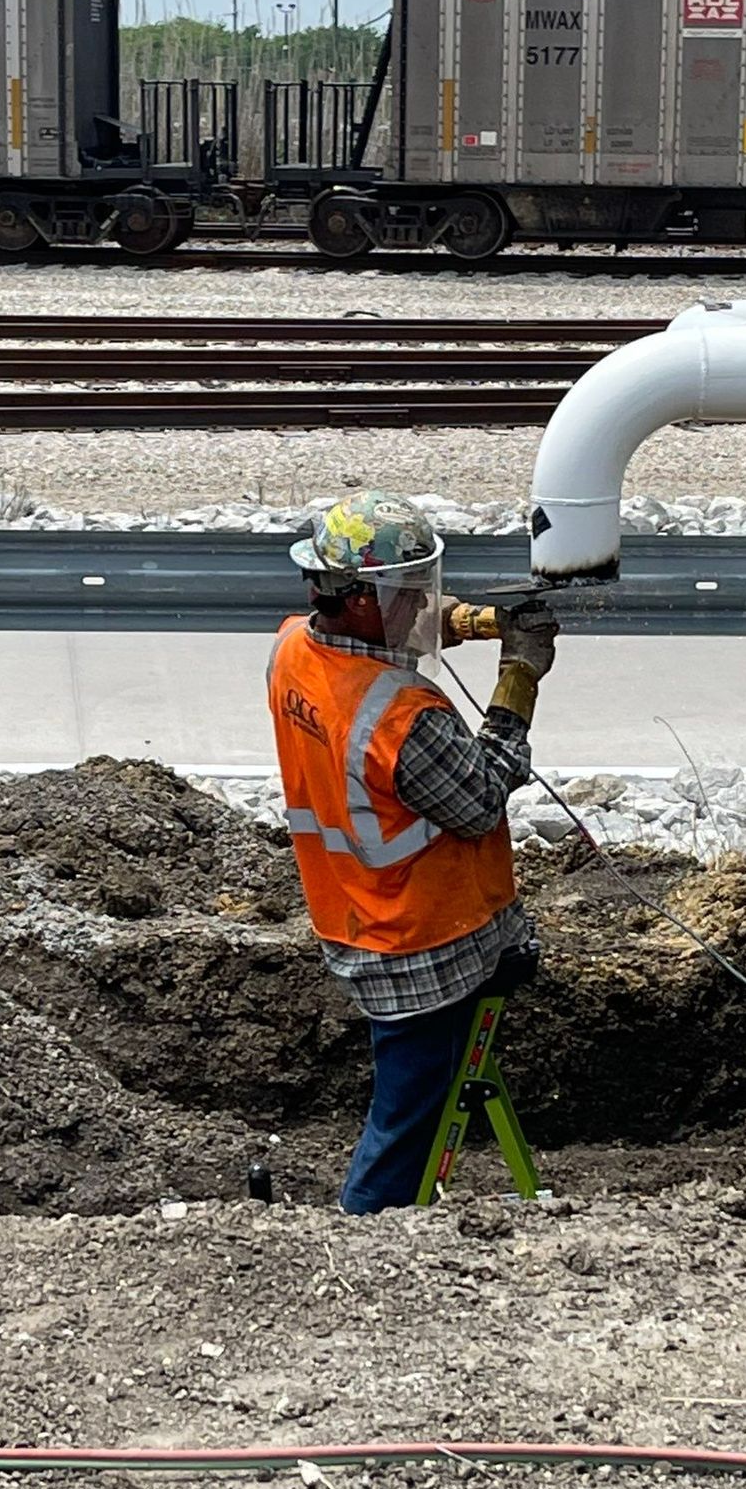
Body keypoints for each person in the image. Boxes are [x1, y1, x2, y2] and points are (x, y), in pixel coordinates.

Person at [267, 489, 557, 1213]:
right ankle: (365, 1236)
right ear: (362, 599)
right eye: (414, 590)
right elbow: (482, 795)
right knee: (406, 1128)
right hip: (422, 945)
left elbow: (396, 635)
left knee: (412, 1103)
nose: (427, 601)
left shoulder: (293, 651)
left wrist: (475, 621)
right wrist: (519, 677)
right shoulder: (401, 718)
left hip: (357, 916)